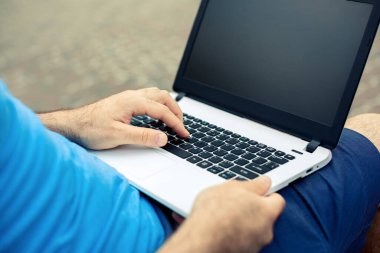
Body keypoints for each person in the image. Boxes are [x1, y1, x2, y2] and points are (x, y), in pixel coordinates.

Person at [0, 79, 379, 253]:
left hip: (107, 168)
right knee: (373, 129)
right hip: (178, 235)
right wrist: (210, 238)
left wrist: (75, 121)